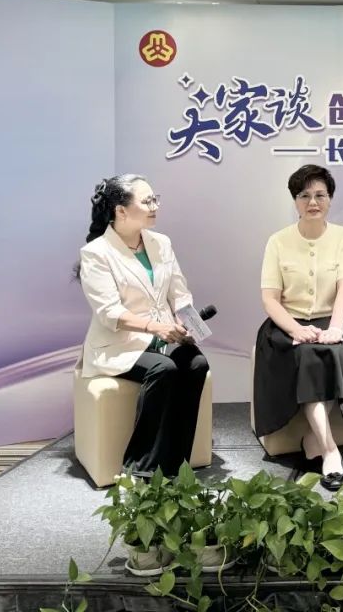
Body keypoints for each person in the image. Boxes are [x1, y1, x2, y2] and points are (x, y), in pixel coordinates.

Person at [75, 174, 209, 479]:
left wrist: (187, 324)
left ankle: (175, 465)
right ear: (121, 210)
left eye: (155, 199)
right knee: (164, 369)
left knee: (197, 364)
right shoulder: (96, 253)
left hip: (163, 338)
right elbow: (110, 312)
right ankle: (139, 467)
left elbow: (180, 293)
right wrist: (156, 328)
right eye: (147, 201)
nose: (155, 206)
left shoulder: (161, 243)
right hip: (118, 345)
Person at [253, 164, 343, 492]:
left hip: (330, 320)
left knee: (331, 353)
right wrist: (295, 329)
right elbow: (269, 300)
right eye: (304, 195)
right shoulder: (278, 241)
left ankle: (313, 439)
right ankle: (330, 450)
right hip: (285, 324)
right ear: (295, 201)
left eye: (320, 195)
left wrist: (335, 328)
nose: (313, 202)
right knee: (308, 355)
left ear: (330, 199)